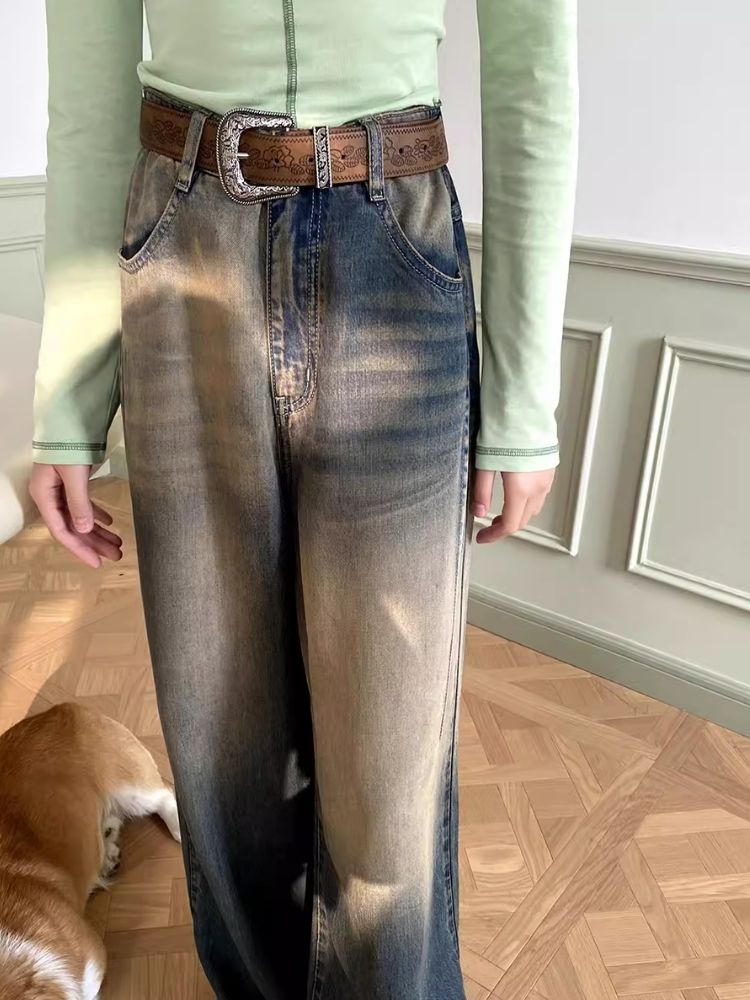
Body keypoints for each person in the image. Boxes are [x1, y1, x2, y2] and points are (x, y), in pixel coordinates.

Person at [28, 1, 578, 997]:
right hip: (179, 247)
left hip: (392, 244)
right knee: (222, 746)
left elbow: (534, 77)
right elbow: (86, 101)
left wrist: (524, 397)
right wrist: (67, 398)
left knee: (390, 771)